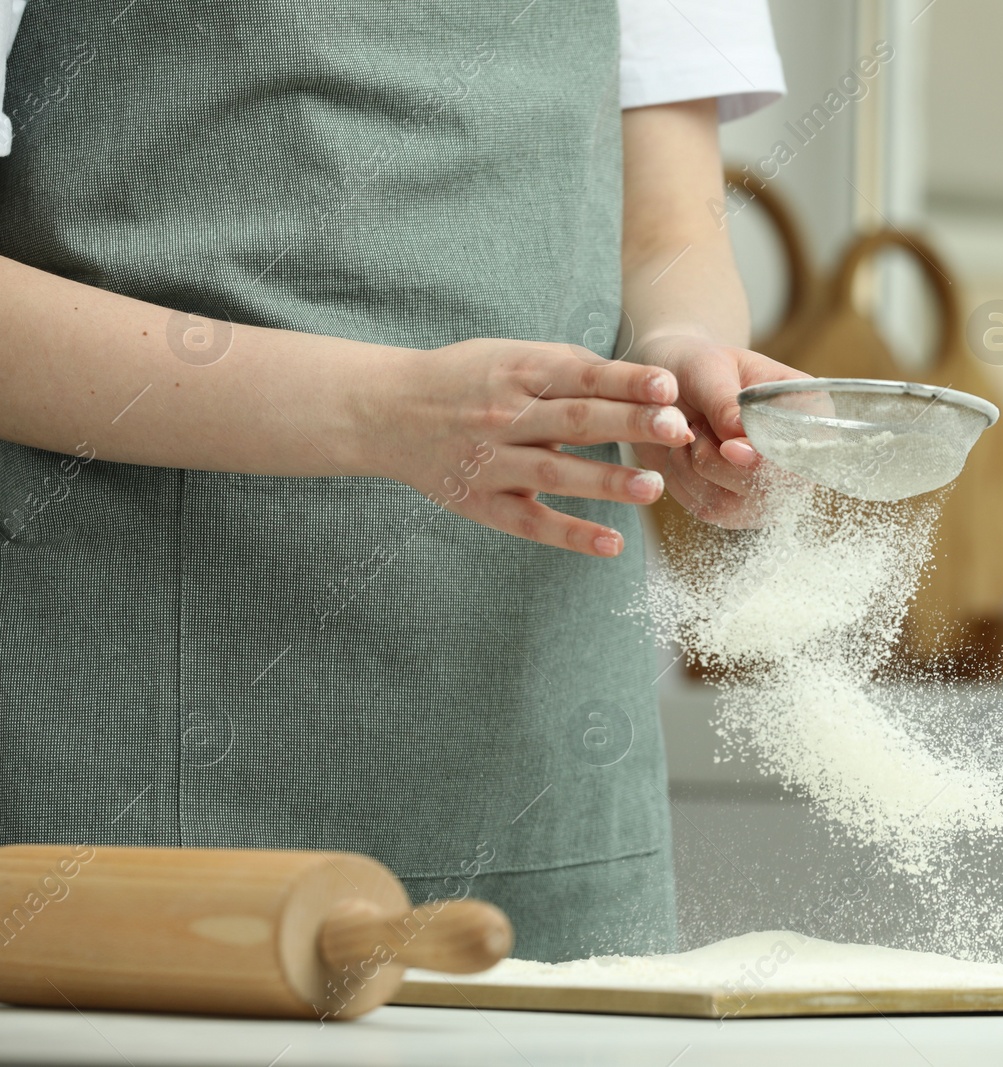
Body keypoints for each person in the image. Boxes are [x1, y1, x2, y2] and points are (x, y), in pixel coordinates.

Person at [0, 0, 801, 961]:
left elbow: (667, 228)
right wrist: (378, 408)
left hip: (531, 711)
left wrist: (679, 364)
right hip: (131, 693)